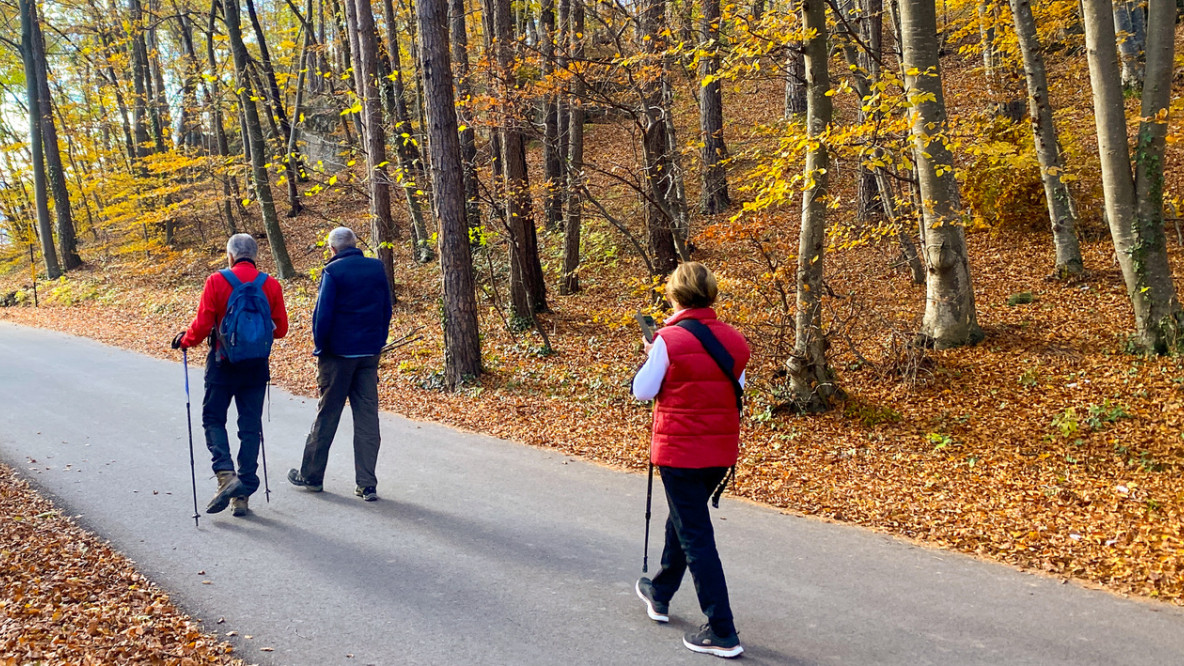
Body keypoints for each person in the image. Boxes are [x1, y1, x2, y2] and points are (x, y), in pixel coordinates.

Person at [631, 262, 750, 659]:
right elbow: (737, 388)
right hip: (719, 453)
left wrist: (652, 355)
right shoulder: (735, 340)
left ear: (675, 295)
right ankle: (660, 592)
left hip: (680, 452)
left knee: (696, 536)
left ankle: (723, 630)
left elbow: (643, 391)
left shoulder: (667, 339)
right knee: (686, 520)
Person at [172, 234, 288, 517]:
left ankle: (226, 475)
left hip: (223, 364)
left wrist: (185, 340)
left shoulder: (216, 281)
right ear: (255, 256)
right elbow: (281, 329)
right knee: (249, 427)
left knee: (213, 418)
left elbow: (201, 325)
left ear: (231, 255)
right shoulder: (270, 284)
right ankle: (242, 493)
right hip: (256, 368)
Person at [288, 227, 393, 502]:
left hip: (338, 356)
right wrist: (378, 340)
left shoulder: (333, 272)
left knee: (328, 414)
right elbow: (386, 308)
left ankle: (311, 475)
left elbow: (322, 316)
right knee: (367, 417)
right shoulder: (376, 268)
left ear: (333, 249)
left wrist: (321, 348)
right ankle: (367, 484)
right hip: (369, 353)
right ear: (355, 245)